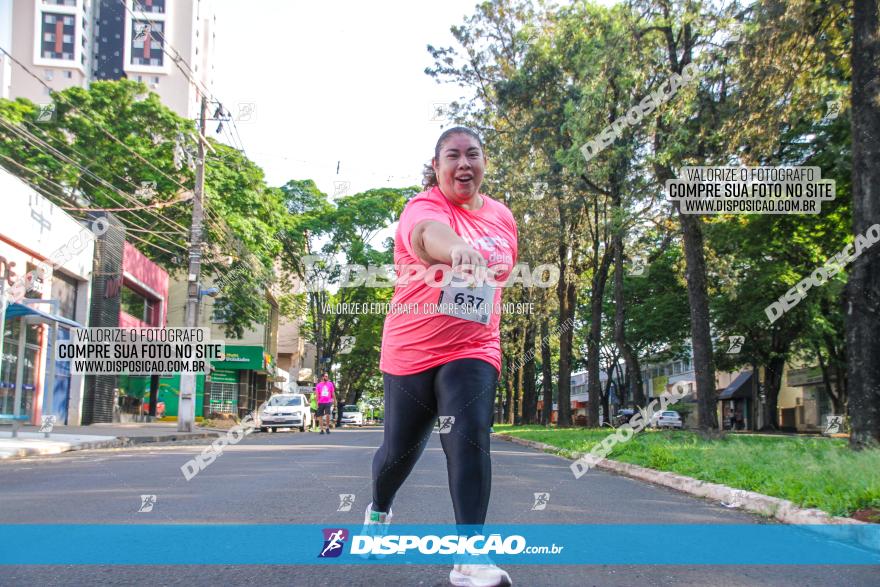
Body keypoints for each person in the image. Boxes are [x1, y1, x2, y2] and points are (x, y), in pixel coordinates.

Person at [364, 127, 517, 587]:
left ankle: (470, 556)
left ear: (485, 163)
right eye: (452, 156)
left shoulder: (503, 217)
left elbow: (502, 276)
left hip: (474, 346)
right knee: (399, 451)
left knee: (469, 433)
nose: (463, 164)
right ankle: (379, 508)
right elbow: (428, 235)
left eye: (473, 154)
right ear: (437, 166)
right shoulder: (423, 207)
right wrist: (459, 250)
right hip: (411, 348)